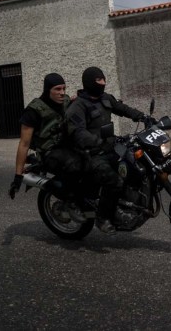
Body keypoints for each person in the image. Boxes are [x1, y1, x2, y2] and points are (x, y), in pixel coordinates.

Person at [66, 67, 146, 235]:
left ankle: (125, 203)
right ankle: (103, 218)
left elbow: (122, 108)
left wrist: (142, 116)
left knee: (134, 166)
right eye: (99, 81)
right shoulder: (78, 106)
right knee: (114, 181)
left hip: (108, 147)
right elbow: (78, 133)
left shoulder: (105, 98)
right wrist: (97, 141)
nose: (103, 83)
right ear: (90, 82)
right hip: (90, 153)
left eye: (103, 80)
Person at [9, 74, 84, 223]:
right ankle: (70, 202)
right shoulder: (34, 111)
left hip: (67, 147)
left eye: (64, 88)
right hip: (49, 153)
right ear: (48, 90)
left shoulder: (66, 101)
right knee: (74, 165)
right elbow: (24, 144)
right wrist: (17, 176)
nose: (62, 92)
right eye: (57, 89)